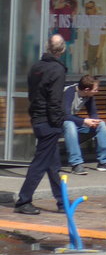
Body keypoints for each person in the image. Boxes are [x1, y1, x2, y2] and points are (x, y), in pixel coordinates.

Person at [13, 34, 70, 216]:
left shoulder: (37, 67)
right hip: (48, 122)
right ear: (62, 49)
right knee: (40, 164)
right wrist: (58, 122)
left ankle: (62, 202)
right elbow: (55, 100)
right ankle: (24, 200)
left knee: (53, 164)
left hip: (38, 118)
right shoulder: (57, 70)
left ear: (47, 47)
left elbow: (32, 94)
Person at [62, 74, 106, 174]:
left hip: (72, 120)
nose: (97, 91)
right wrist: (84, 121)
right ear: (86, 89)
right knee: (70, 124)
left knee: (101, 125)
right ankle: (76, 163)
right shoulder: (69, 92)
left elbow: (93, 112)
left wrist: (95, 121)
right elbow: (65, 115)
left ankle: (104, 162)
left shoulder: (88, 96)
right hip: (59, 122)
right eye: (95, 89)